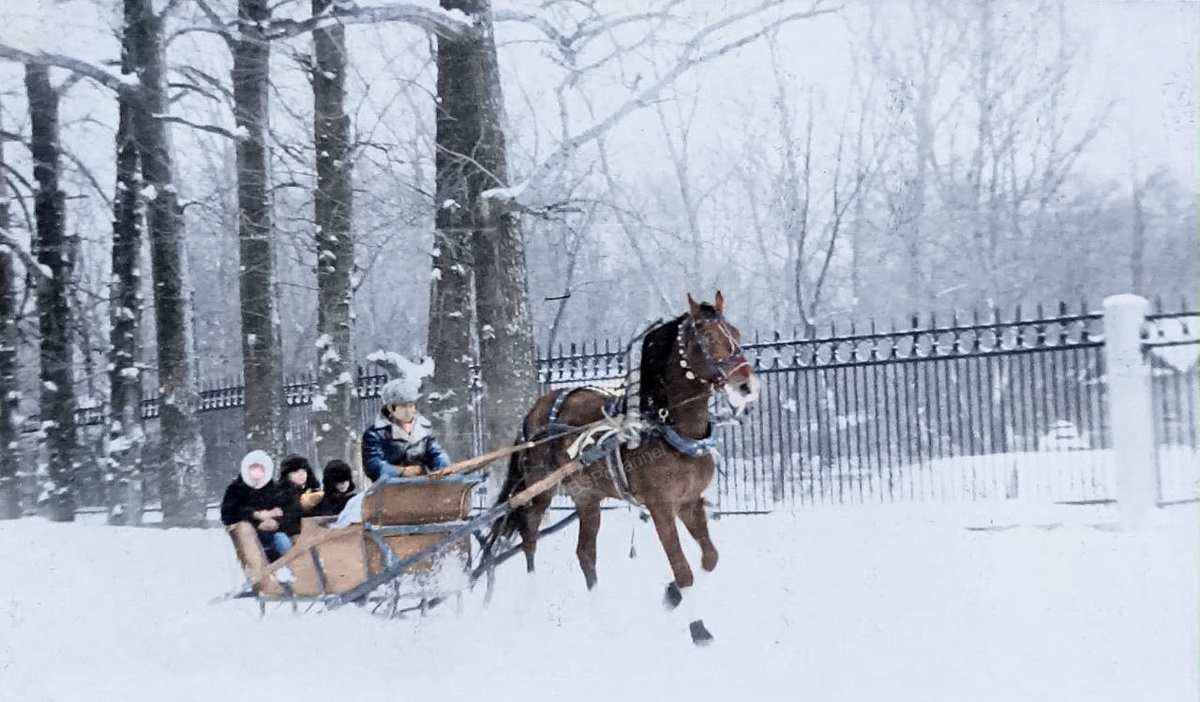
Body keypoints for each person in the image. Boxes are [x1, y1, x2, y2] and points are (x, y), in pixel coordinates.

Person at [362, 377, 452, 482]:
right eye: (404, 406)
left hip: (422, 487)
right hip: (388, 490)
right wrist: (401, 471)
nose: (409, 410)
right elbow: (373, 466)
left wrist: (443, 466)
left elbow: (436, 453)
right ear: (390, 408)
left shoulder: (424, 430)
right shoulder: (375, 434)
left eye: (411, 405)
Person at [220, 450, 289, 561]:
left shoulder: (273, 489)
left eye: (261, 469)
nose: (257, 472)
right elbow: (228, 513)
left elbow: (286, 511)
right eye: (253, 468)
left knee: (282, 540)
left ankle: (291, 569)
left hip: (274, 532)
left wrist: (276, 523)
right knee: (260, 549)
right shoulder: (236, 489)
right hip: (250, 535)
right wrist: (255, 516)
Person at [276, 455, 319, 544]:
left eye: (303, 471)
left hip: (315, 534)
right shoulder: (280, 494)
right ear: (287, 475)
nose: (301, 475)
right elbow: (283, 521)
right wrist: (301, 506)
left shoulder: (314, 492)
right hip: (292, 536)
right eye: (296, 471)